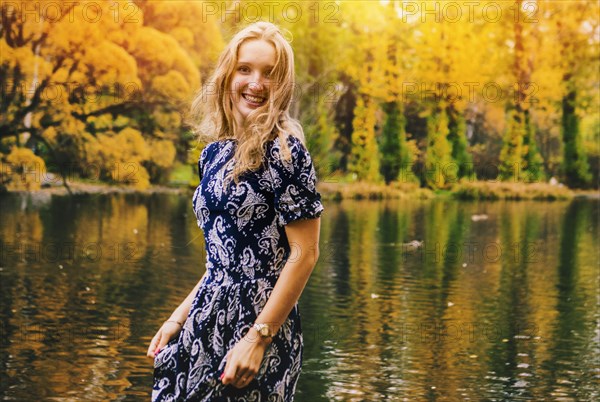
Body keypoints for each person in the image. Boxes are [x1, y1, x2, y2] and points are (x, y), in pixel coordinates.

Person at [147, 21, 324, 401]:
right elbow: (221, 260)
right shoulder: (214, 154)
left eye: (269, 74)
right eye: (245, 69)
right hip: (204, 319)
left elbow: (305, 254)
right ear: (228, 74)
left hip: (258, 329)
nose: (256, 83)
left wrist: (258, 339)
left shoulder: (286, 152)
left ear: (284, 86)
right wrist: (178, 317)